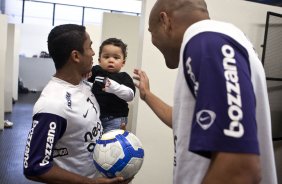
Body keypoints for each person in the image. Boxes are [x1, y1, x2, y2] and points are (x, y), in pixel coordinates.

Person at [133, 0, 277, 183]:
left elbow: (239, 168)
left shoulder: (207, 42)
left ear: (165, 21)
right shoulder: (215, 42)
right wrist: (147, 95)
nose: (153, 41)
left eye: (151, 33)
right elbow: (186, 120)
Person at [23, 24, 131, 184]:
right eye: (90, 47)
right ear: (76, 56)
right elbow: (35, 167)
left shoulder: (85, 84)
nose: (94, 53)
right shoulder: (52, 104)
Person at [88, 38, 135, 133]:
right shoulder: (96, 71)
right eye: (106, 57)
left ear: (123, 62)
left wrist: (112, 87)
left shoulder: (124, 77)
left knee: (111, 145)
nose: (111, 60)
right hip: (95, 117)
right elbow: (83, 81)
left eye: (116, 58)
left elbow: (130, 95)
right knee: (96, 145)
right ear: (99, 60)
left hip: (116, 119)